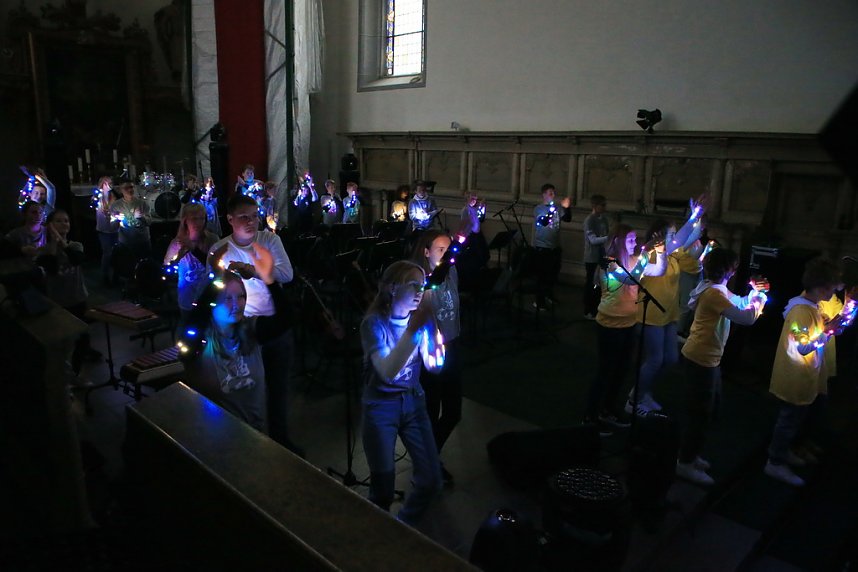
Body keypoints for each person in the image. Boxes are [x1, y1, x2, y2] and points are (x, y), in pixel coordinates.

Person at [208, 194, 300, 454]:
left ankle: (280, 440)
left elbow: (287, 274)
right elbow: (213, 286)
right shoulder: (221, 249)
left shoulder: (269, 240)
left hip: (273, 322)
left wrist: (256, 272)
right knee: (250, 387)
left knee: (278, 388)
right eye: (244, 217)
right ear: (230, 219)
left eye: (254, 216)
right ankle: (248, 440)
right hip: (243, 329)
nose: (251, 222)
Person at [360, 260, 444, 525]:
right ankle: (381, 533)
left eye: (423, 285)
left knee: (432, 480)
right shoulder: (374, 324)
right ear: (392, 288)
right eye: (413, 285)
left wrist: (432, 327)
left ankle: (403, 526)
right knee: (383, 489)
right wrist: (414, 329)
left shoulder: (418, 321)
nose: (420, 291)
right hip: (381, 407)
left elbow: (435, 366)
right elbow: (387, 371)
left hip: (413, 400)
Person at [677, 248, 767, 486]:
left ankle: (691, 454)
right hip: (701, 359)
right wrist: (760, 296)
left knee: (708, 409)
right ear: (730, 271)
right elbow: (746, 318)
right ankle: (685, 462)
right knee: (699, 414)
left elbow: (739, 303)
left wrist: (755, 293)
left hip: (707, 359)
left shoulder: (715, 288)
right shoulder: (714, 294)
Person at [181, 243, 292, 432]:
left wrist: (269, 280)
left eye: (241, 296)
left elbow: (286, 318)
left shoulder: (249, 329)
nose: (237, 305)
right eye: (228, 298)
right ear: (213, 302)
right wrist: (216, 278)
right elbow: (198, 316)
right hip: (215, 437)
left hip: (255, 434)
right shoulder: (199, 339)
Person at [764, 258, 844, 486]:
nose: (834, 292)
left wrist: (827, 327)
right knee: (788, 421)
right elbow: (802, 346)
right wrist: (827, 332)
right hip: (795, 378)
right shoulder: (801, 312)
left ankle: (784, 451)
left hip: (804, 376)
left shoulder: (811, 307)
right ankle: (775, 462)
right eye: (832, 289)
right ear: (821, 288)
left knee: (794, 419)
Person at [584, 224, 666, 432]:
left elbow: (659, 270)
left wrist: (660, 252)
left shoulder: (634, 259)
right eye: (630, 239)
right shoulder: (609, 262)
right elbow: (631, 278)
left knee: (621, 371)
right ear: (617, 241)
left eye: (635, 239)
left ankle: (609, 409)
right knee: (606, 372)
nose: (634, 243)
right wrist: (646, 253)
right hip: (609, 326)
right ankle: (590, 417)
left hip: (629, 324)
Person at [625, 204, 706, 415]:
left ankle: (644, 392)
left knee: (670, 358)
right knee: (655, 359)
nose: (674, 238)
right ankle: (634, 399)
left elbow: (691, 255)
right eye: (671, 234)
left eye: (673, 233)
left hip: (669, 314)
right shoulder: (651, 253)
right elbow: (677, 243)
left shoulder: (673, 254)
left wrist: (697, 219)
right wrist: (693, 218)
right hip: (651, 315)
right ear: (658, 236)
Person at [413, 230, 462, 485]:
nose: (445, 254)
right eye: (440, 250)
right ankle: (427, 465)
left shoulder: (452, 272)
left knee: (453, 411)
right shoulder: (419, 280)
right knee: (431, 411)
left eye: (448, 249)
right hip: (430, 353)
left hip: (452, 347)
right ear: (426, 252)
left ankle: (430, 456)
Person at [37, 210, 99, 375]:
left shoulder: (75, 245)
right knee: (62, 341)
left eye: (66, 221)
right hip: (57, 302)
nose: (64, 223)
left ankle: (77, 374)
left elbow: (76, 259)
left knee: (82, 338)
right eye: (58, 221)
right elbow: (51, 268)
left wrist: (62, 242)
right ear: (50, 225)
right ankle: (62, 375)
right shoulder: (44, 250)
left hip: (78, 297)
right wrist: (53, 243)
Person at [164, 203, 220, 328]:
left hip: (208, 296)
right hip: (187, 297)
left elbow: (216, 267)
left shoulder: (212, 239)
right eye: (194, 218)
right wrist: (178, 258)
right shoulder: (177, 243)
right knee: (188, 329)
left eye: (202, 218)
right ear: (185, 221)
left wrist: (194, 250)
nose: (199, 223)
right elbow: (167, 271)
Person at [531, 183, 572, 309]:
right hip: (542, 247)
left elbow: (568, 219)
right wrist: (551, 211)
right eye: (550, 193)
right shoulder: (538, 209)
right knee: (542, 275)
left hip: (555, 246)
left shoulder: (558, 208)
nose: (553, 195)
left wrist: (567, 208)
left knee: (553, 274)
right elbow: (543, 222)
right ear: (544, 195)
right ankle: (539, 301)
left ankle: (549, 295)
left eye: (554, 193)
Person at [582, 195, 609, 320]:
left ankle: (597, 308)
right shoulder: (589, 220)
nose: (604, 207)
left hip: (602, 256)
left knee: (599, 284)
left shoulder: (604, 219)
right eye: (602, 205)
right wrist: (609, 237)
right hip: (592, 257)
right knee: (590, 284)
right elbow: (592, 240)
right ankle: (588, 310)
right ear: (594, 206)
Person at [110, 181, 152, 260]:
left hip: (142, 241)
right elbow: (112, 226)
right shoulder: (116, 205)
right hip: (125, 242)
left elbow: (149, 222)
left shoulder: (142, 203)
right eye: (126, 188)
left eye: (131, 187)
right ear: (121, 190)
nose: (130, 190)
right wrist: (117, 219)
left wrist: (141, 217)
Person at [93, 176, 120, 286]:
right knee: (107, 253)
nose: (109, 185)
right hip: (103, 230)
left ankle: (116, 276)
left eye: (110, 183)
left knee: (117, 253)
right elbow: (94, 203)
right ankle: (105, 276)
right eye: (106, 183)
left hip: (115, 229)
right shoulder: (98, 196)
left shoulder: (115, 195)